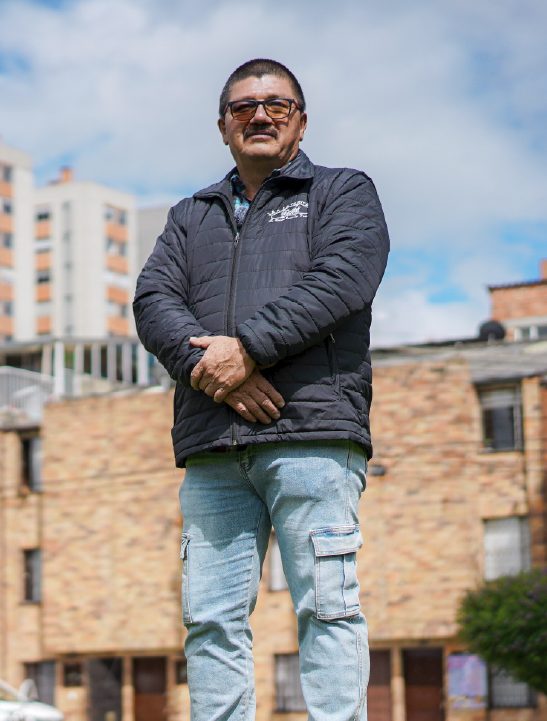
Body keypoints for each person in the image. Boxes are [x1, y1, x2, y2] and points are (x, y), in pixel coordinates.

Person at [133, 58, 390, 721]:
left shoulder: (342, 192)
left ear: (299, 121)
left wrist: (243, 351)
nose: (259, 115)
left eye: (276, 104)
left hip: (311, 436)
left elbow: (342, 279)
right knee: (209, 619)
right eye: (243, 106)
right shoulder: (190, 216)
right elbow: (152, 300)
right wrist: (210, 371)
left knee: (326, 606)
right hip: (213, 449)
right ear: (222, 126)